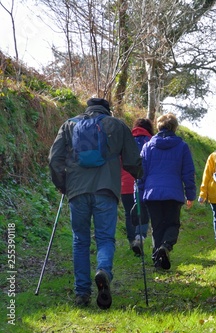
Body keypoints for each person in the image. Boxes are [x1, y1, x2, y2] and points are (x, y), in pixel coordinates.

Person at [49, 97, 143, 309]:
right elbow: (132, 161)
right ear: (107, 110)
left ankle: (82, 293)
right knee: (105, 237)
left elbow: (54, 159)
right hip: (106, 189)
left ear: (87, 108)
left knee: (80, 240)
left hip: (77, 190)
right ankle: (103, 271)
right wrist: (139, 174)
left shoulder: (69, 125)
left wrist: (63, 184)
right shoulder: (117, 125)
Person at [140, 113, 196, 269]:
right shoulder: (182, 146)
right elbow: (188, 172)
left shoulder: (147, 146)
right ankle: (165, 246)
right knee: (172, 224)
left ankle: (158, 260)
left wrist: (139, 194)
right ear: (175, 127)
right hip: (173, 193)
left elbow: (141, 174)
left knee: (157, 227)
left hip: (152, 194)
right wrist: (190, 194)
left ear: (159, 127)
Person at [121, 118, 154, 256]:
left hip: (126, 183)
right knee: (143, 212)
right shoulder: (152, 141)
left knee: (129, 213)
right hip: (144, 184)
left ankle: (131, 242)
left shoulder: (125, 140)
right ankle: (139, 238)